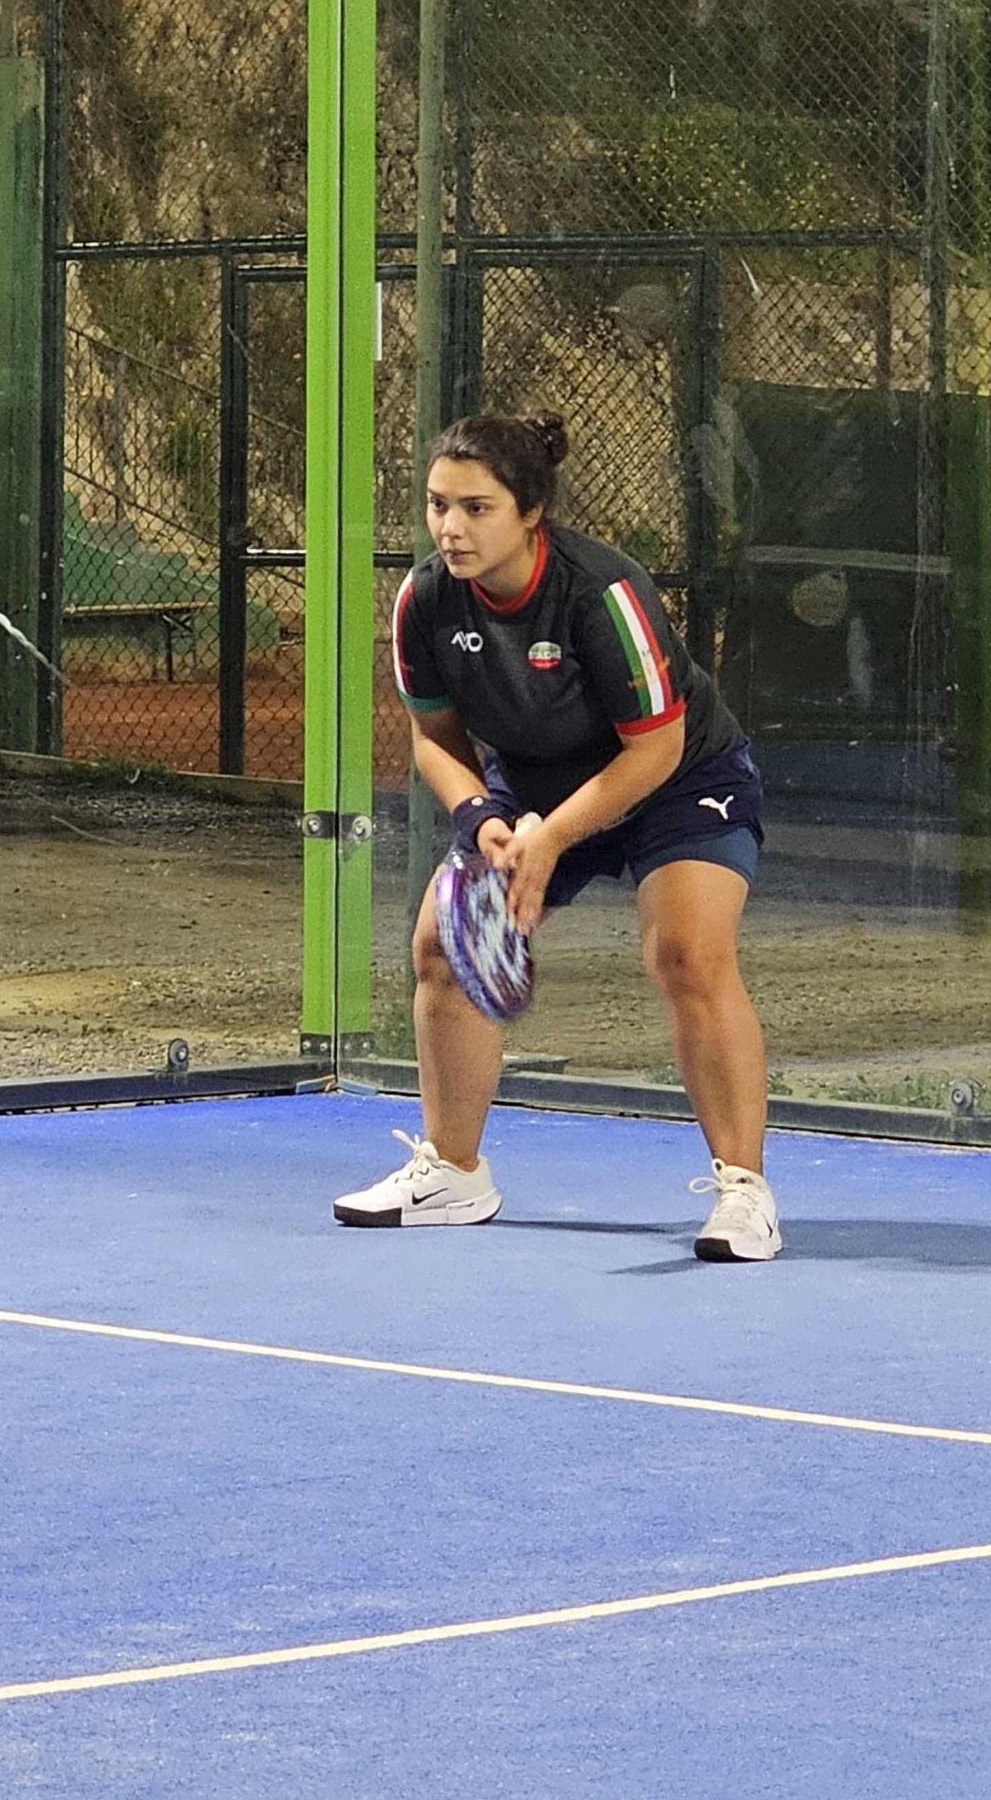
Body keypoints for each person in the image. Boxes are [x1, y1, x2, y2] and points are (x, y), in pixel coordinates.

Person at [334, 410, 781, 1263]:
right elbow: (434, 737)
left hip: (680, 779)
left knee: (687, 953)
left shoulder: (602, 593)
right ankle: (454, 1174)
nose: (451, 528)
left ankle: (745, 1192)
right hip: (533, 784)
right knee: (442, 945)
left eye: (476, 508)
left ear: (530, 511)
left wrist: (554, 837)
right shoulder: (426, 600)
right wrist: (481, 818)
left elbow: (657, 746)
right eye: (438, 505)